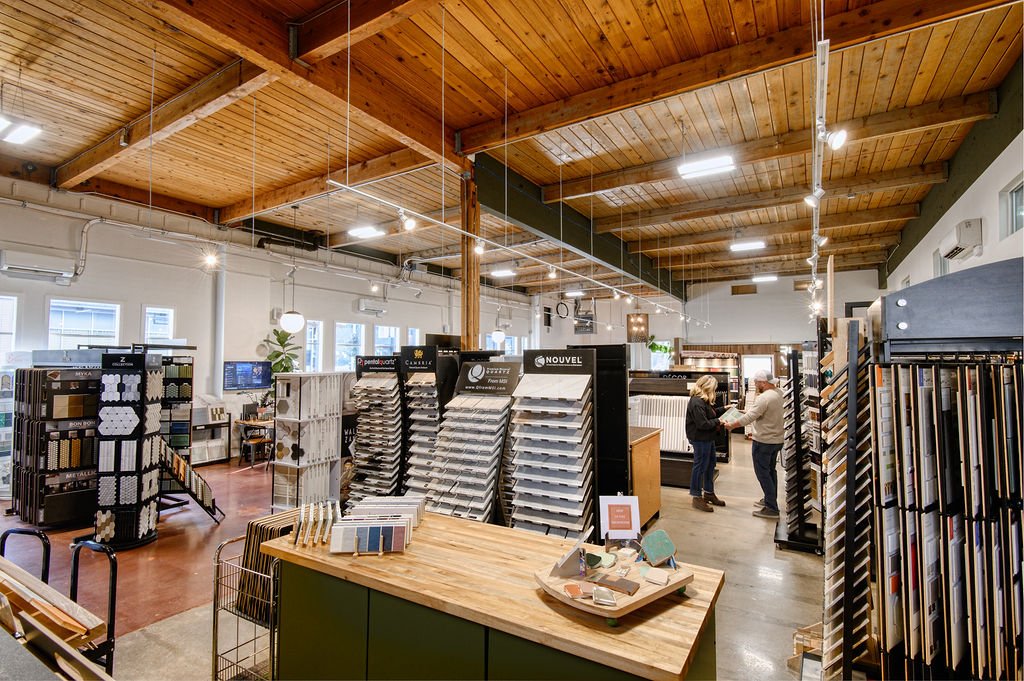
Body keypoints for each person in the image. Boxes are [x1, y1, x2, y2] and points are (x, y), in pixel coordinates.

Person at [722, 370, 784, 519]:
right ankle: (769, 499)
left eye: (756, 383)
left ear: (763, 382)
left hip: (764, 441)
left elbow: (749, 418)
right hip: (777, 440)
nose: (755, 385)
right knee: (771, 471)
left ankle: (771, 508)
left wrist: (731, 425)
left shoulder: (764, 398)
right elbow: (759, 413)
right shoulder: (779, 393)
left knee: (762, 473)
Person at [686, 375, 727, 512]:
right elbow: (703, 424)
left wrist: (724, 408)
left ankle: (709, 493)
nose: (715, 390)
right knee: (700, 466)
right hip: (700, 438)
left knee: (710, 465)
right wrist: (719, 421)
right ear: (707, 387)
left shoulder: (703, 400)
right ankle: (696, 496)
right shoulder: (696, 402)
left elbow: (710, 414)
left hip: (707, 438)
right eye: (714, 388)